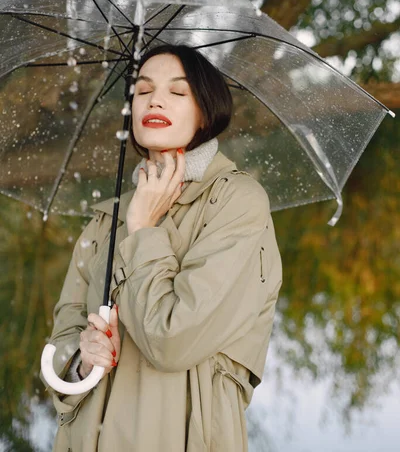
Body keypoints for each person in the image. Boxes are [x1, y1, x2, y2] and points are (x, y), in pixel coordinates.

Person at [42, 44, 282, 452]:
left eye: (177, 92)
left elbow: (173, 342)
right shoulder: (104, 221)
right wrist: (82, 359)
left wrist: (142, 230)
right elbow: (61, 344)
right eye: (142, 90)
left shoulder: (238, 203)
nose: (155, 99)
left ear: (206, 109)